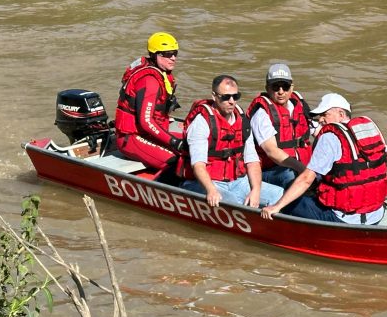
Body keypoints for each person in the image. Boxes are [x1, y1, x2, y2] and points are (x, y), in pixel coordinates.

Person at [261, 93, 387, 224]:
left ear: (340, 114)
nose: (320, 120)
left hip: (343, 220)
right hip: (376, 215)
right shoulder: (368, 129)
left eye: (324, 114)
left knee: (290, 199)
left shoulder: (329, 137)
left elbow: (306, 178)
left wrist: (277, 206)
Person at [178, 75, 283, 208]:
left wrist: (256, 190)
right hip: (205, 183)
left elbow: (252, 161)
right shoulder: (201, 122)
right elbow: (198, 165)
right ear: (214, 96)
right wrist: (211, 190)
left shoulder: (243, 122)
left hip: (237, 181)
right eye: (226, 97)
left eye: (235, 96)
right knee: (232, 202)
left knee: (278, 194)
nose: (232, 101)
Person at [114, 32, 184, 171]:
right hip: (132, 138)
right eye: (168, 54)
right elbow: (146, 122)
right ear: (155, 55)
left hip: (151, 134)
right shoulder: (149, 81)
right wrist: (173, 142)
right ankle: (167, 190)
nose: (173, 58)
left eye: (175, 53)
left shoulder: (162, 75)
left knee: (195, 145)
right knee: (175, 162)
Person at [246, 63, 313, 189]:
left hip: (299, 164)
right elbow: (272, 151)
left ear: (292, 87)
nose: (281, 92)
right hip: (271, 169)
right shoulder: (261, 114)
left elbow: (317, 129)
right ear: (267, 88)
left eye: (285, 86)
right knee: (290, 175)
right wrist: (303, 170)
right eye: (276, 87)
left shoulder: (300, 106)